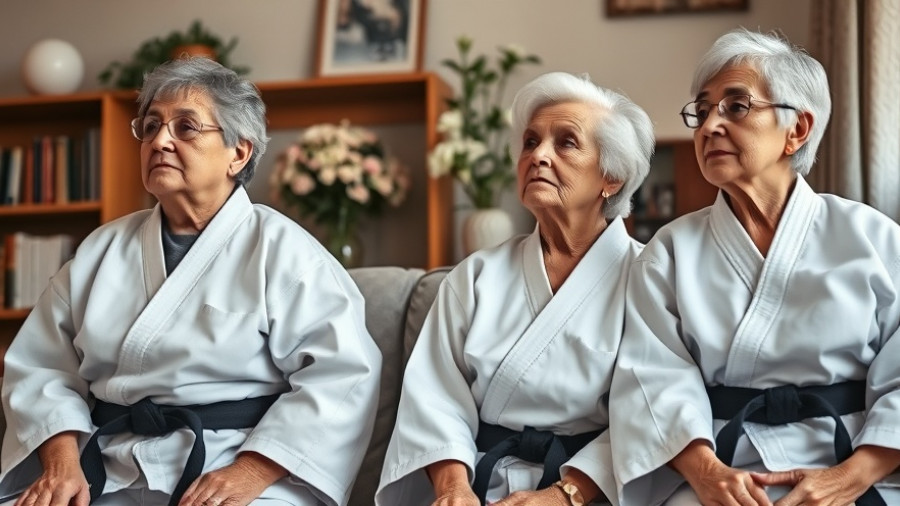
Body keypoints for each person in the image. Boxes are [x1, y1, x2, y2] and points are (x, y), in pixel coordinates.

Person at [0, 57, 382, 506]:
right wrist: (61, 465)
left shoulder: (284, 251)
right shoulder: (99, 251)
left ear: (238, 153)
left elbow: (343, 376)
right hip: (109, 464)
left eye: (186, 128)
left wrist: (250, 473)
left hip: (232, 464)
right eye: (150, 126)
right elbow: (41, 369)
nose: (160, 141)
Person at [610, 28, 900, 506]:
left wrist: (849, 477)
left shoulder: (872, 237)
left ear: (797, 130)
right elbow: (651, 379)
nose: (709, 127)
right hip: (721, 468)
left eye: (736, 106)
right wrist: (708, 475)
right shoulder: (670, 251)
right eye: (701, 112)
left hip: (850, 460)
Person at [376, 71, 655, 506]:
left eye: (565, 142)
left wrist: (564, 496)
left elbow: (650, 411)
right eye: (530, 142)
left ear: (611, 177)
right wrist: (453, 489)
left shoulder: (649, 277)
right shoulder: (475, 276)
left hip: (594, 490)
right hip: (478, 483)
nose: (538, 155)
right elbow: (433, 397)